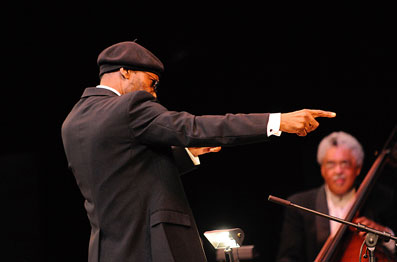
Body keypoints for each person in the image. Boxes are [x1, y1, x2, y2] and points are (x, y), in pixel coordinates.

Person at [61, 41, 336, 262]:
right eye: (152, 82)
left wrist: (188, 153)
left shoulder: (72, 121)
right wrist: (278, 122)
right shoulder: (128, 108)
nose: (154, 94)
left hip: (107, 251)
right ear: (125, 72)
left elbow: (124, 174)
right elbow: (193, 126)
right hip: (152, 248)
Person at [276, 131, 396, 262]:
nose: (338, 171)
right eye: (331, 164)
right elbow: (287, 258)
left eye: (345, 163)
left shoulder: (383, 198)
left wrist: (386, 235)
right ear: (322, 169)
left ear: (358, 168)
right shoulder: (300, 204)